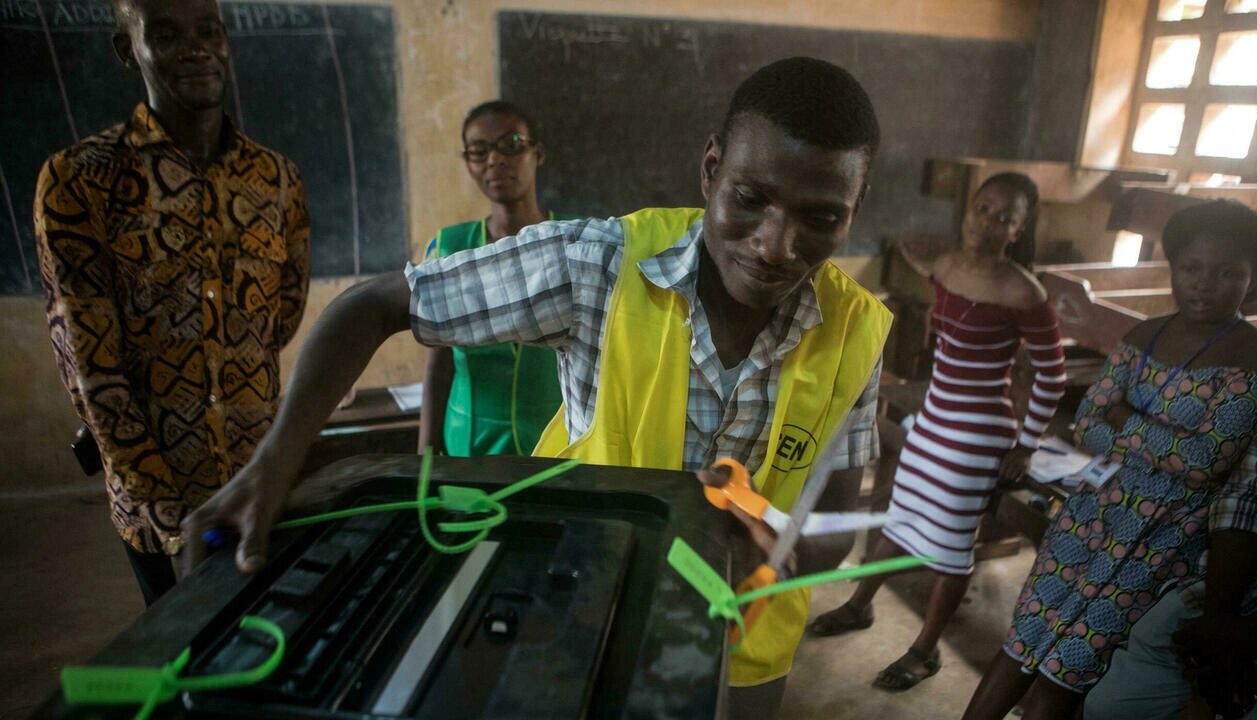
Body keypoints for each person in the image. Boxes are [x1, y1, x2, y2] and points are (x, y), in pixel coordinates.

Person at [180, 57, 890, 719]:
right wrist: (272, 466)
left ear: (854, 209)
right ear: (711, 169)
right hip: (586, 618)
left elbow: (832, 525)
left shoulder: (858, 332)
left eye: (820, 218)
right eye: (751, 199)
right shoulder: (599, 267)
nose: (775, 244)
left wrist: (778, 548)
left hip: (748, 657)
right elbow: (373, 307)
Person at [32, 0, 310, 605]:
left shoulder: (276, 180)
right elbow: (91, 372)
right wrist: (170, 519)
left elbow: (280, 319)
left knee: (270, 647)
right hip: (159, 507)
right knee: (185, 660)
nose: (196, 49)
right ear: (127, 49)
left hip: (260, 483)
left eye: (208, 31)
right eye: (165, 34)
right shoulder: (81, 180)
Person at [962, 200, 1257, 720]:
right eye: (1191, 268)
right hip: (1090, 515)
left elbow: (1205, 462)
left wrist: (1126, 421)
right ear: (1174, 266)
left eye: (1228, 273)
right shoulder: (1144, 334)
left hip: (1162, 539)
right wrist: (1157, 439)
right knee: (1021, 643)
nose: (1204, 284)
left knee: (1066, 669)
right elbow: (1088, 421)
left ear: (1253, 279)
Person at [807, 172, 1066, 691]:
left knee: (950, 545)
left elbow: (1053, 374)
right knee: (899, 518)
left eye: (1004, 218)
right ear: (969, 210)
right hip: (933, 419)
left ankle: (925, 652)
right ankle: (859, 606)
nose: (988, 223)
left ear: (1018, 229)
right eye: (982, 209)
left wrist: (1027, 444)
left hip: (977, 434)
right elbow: (946, 345)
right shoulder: (946, 266)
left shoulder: (1023, 290)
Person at [1084, 414, 1257, 720]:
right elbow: (1248, 499)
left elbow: (1202, 461)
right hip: (1245, 587)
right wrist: (1218, 623)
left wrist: (1128, 420)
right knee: (1113, 706)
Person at [419, 101, 566, 457]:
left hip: (559, 445)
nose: (494, 160)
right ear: (468, 163)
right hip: (468, 448)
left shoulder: (573, 242)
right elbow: (438, 363)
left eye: (511, 144)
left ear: (538, 152)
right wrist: (425, 450)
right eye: (478, 151)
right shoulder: (447, 249)